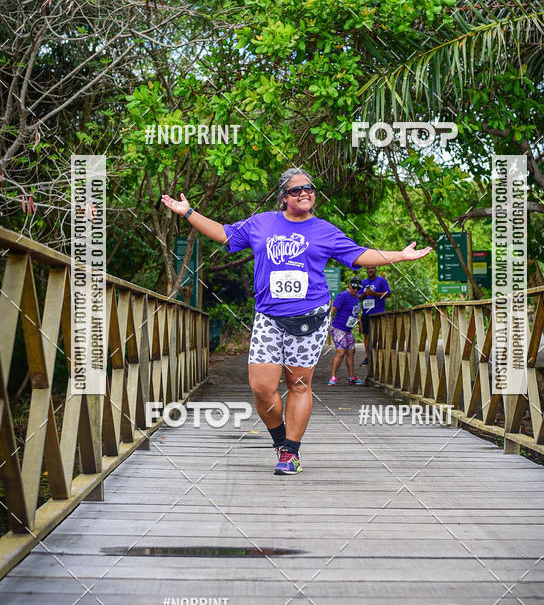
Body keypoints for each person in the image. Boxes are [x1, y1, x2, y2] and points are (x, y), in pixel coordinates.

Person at [160, 168, 432, 475]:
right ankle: (279, 440)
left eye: (309, 189)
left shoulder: (325, 230)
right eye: (296, 190)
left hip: (310, 319)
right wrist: (189, 213)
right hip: (269, 317)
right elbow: (225, 234)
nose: (304, 193)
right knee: (261, 387)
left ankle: (290, 452)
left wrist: (399, 255)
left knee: (299, 384)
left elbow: (358, 254)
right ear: (283, 197)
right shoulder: (261, 223)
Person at [328, 278, 364, 386]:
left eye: (358, 288)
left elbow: (356, 313)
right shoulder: (343, 296)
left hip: (348, 329)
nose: (355, 290)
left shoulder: (356, 298)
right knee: (341, 352)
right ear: (349, 285)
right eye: (353, 287)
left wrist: (360, 324)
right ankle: (333, 377)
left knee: (351, 352)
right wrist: (328, 324)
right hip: (338, 327)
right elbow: (333, 309)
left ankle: (352, 377)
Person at [359, 266, 392, 366]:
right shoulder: (363, 282)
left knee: (380, 336)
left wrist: (375, 293)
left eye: (372, 268)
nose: (370, 270)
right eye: (368, 269)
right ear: (366, 270)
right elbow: (358, 297)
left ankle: (380, 357)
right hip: (366, 313)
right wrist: (364, 295)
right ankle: (368, 357)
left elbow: (388, 294)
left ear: (375, 269)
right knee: (367, 336)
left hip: (378, 313)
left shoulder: (382, 281)